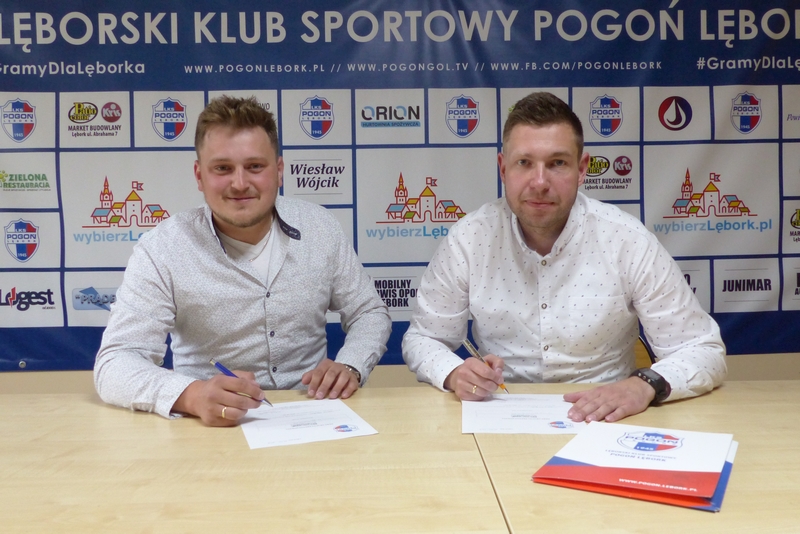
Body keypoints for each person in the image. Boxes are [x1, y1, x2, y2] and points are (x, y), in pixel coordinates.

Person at [402, 91, 726, 423]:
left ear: (582, 169)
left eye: (557, 163)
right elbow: (424, 338)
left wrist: (643, 385)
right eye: (524, 163)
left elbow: (702, 350)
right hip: (499, 415)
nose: (540, 182)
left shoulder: (627, 240)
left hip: (608, 420)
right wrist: (454, 372)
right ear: (503, 168)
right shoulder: (469, 239)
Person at [95, 96, 391, 426]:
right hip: (209, 428)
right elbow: (116, 361)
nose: (239, 183)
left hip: (314, 416)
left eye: (255, 167)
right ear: (199, 175)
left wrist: (351, 364)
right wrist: (192, 395)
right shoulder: (162, 249)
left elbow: (369, 312)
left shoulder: (320, 228)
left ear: (279, 171)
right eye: (222, 168)